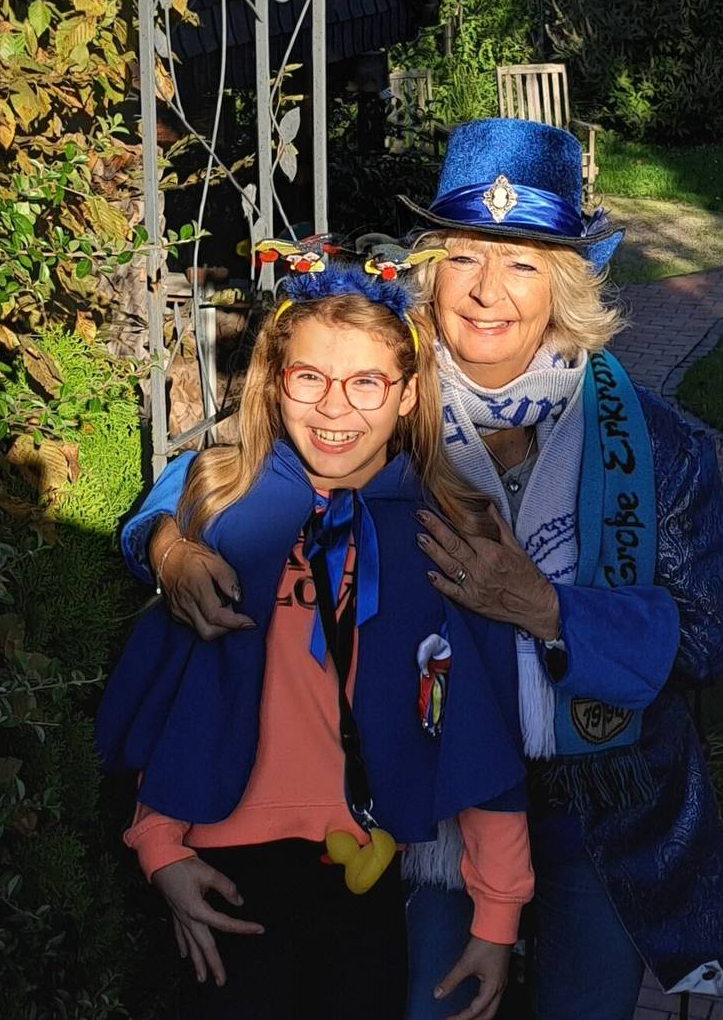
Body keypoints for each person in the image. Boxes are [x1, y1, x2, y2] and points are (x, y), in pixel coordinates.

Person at [124, 121, 723, 1019]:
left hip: (598, 806)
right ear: (430, 269)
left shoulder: (658, 446)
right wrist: (166, 545)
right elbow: (222, 470)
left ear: (566, 286)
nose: (488, 290)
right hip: (427, 802)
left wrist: (548, 611)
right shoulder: (381, 396)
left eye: (525, 263)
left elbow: (704, 642)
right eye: (466, 256)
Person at [95, 255, 534, 1020]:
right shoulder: (225, 506)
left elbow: (477, 727)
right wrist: (159, 848)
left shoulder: (445, 531)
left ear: (405, 396)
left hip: (363, 876)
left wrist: (497, 915)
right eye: (310, 378)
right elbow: (185, 691)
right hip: (224, 864)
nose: (336, 406)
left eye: (366, 381)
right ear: (273, 381)